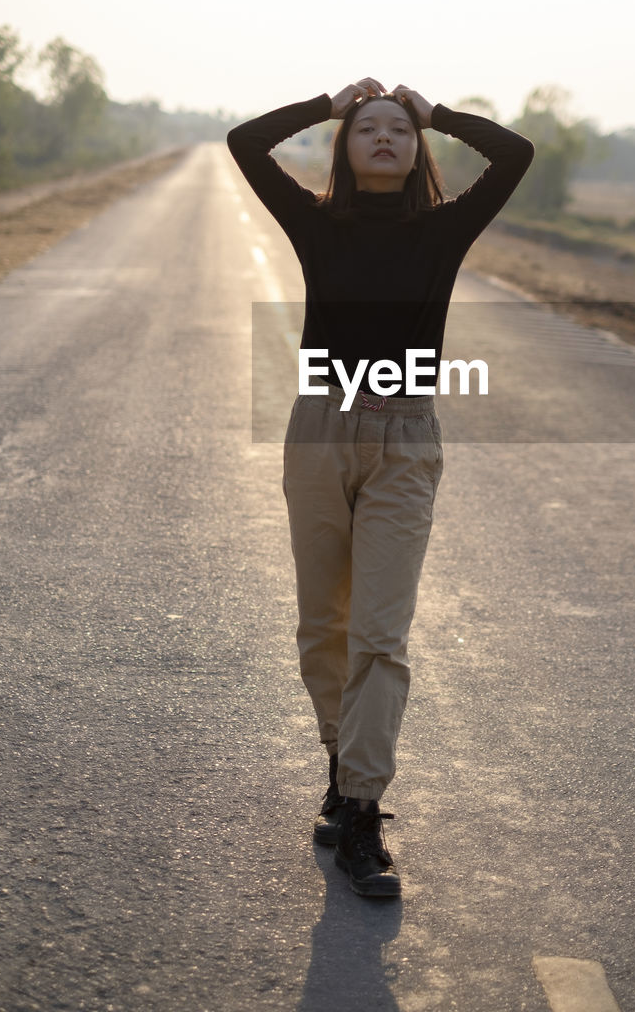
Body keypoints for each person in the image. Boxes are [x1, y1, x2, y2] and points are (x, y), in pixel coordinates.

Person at [227, 78, 534, 897]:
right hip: (321, 431)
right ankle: (339, 759)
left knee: (379, 634)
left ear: (418, 148)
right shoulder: (314, 223)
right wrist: (325, 103)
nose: (388, 136)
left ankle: (361, 812)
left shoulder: (443, 230)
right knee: (321, 625)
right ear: (346, 144)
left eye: (401, 128)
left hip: (404, 441)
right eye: (370, 128)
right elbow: (245, 142)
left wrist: (441, 114)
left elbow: (515, 154)